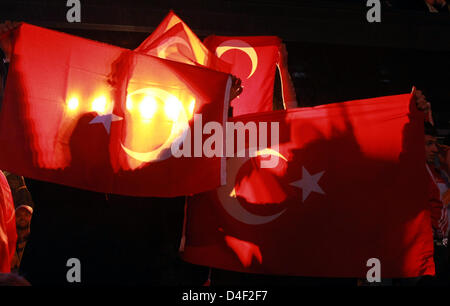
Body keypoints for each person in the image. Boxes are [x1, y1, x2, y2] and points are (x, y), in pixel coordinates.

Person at [424, 122, 449, 284]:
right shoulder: (418, 173)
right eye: (429, 144)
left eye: (436, 144)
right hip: (432, 247)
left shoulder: (436, 171)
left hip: (439, 245)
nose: (435, 149)